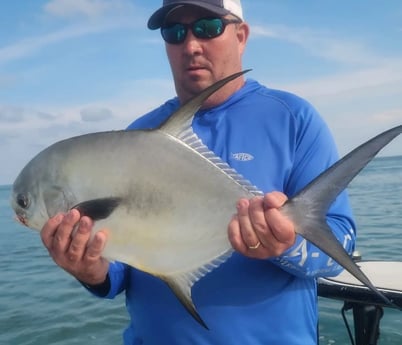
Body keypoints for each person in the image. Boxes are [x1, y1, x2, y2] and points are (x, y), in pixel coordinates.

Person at [40, 1, 356, 344]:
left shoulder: (292, 119)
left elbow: (337, 247)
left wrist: (287, 244)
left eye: (207, 27)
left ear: (241, 34)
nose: (190, 45)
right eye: (175, 33)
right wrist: (92, 270)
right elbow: (122, 267)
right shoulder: (137, 136)